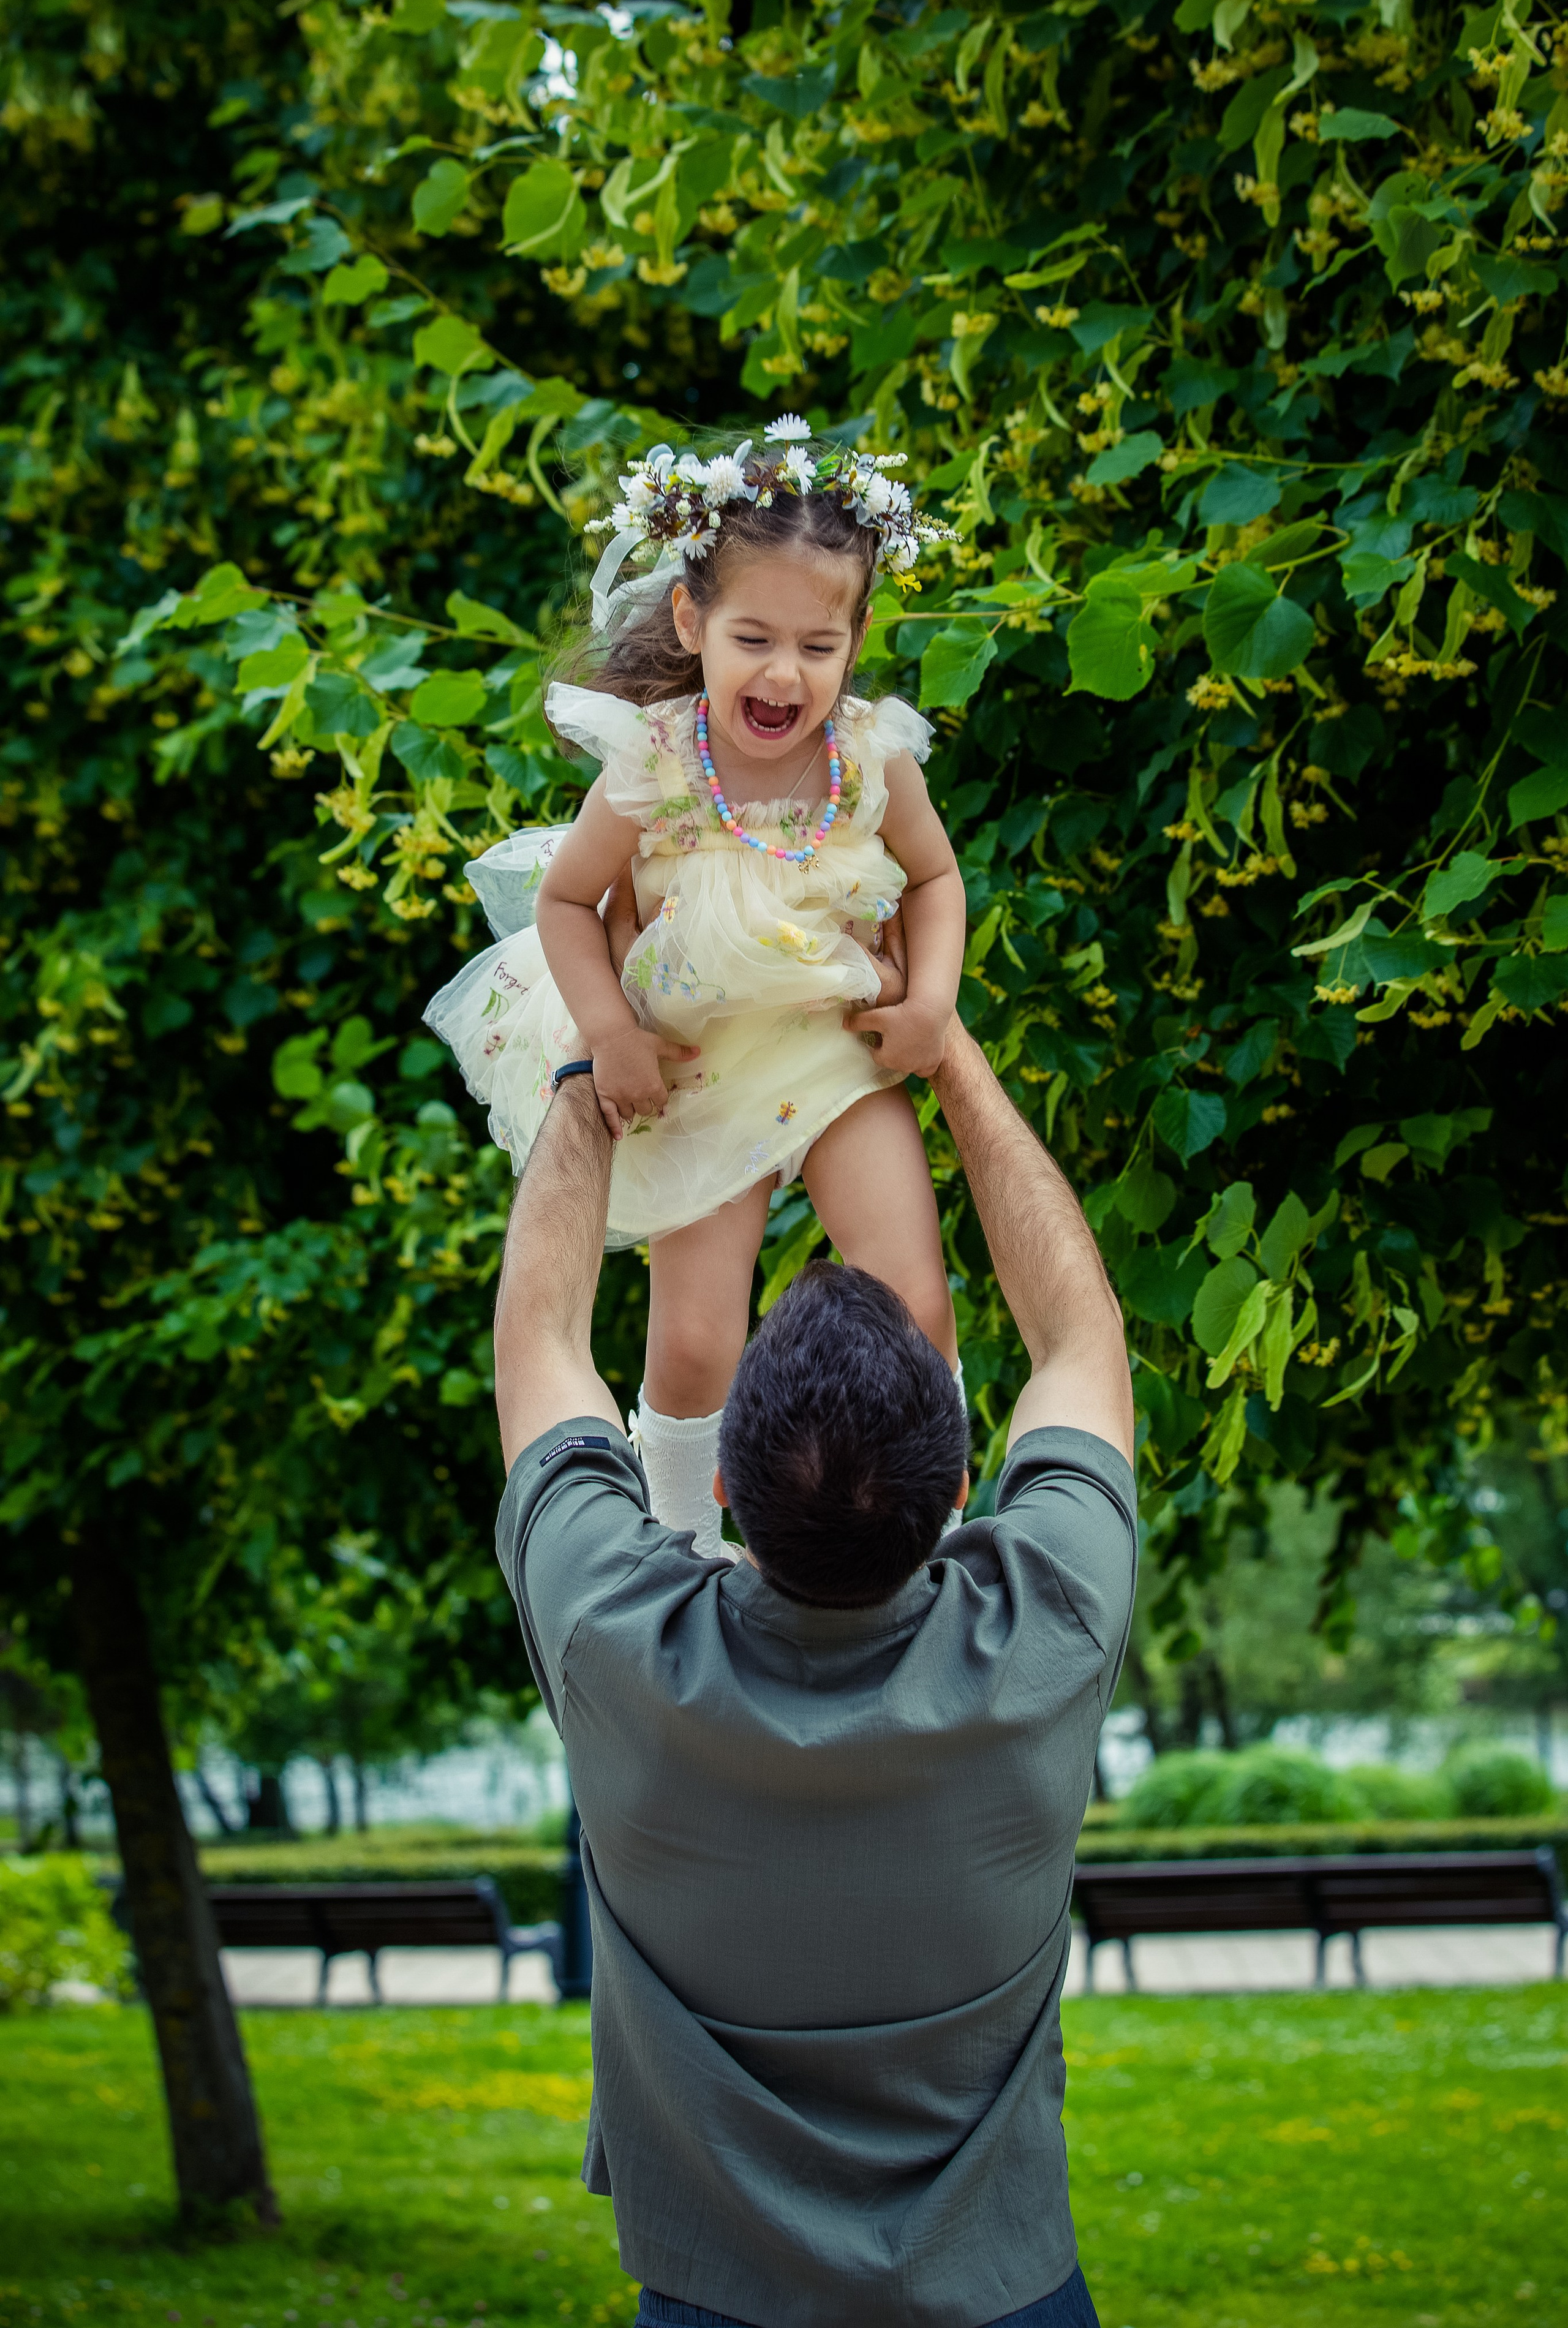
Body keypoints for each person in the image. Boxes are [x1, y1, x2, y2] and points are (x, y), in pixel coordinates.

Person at [491, 1004, 1137, 2328]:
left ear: (721, 1489)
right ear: (958, 1488)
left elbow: (539, 1340)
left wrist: (595, 1057)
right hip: (1010, 2298)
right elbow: (1079, 1335)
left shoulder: (620, 1643)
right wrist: (951, 1054)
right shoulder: (1045, 1627)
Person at [426, 419, 966, 1558]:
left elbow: (935, 878)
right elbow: (567, 902)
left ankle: (938, 1526)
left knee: (913, 1296)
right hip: (697, 1066)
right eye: (752, 637)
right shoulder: (658, 762)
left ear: (859, 638)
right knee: (694, 1342)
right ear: (691, 622)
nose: (784, 673)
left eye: (818, 645)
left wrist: (930, 1004)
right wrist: (609, 1032)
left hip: (834, 1048)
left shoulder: (872, 757)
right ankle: (682, 1544)